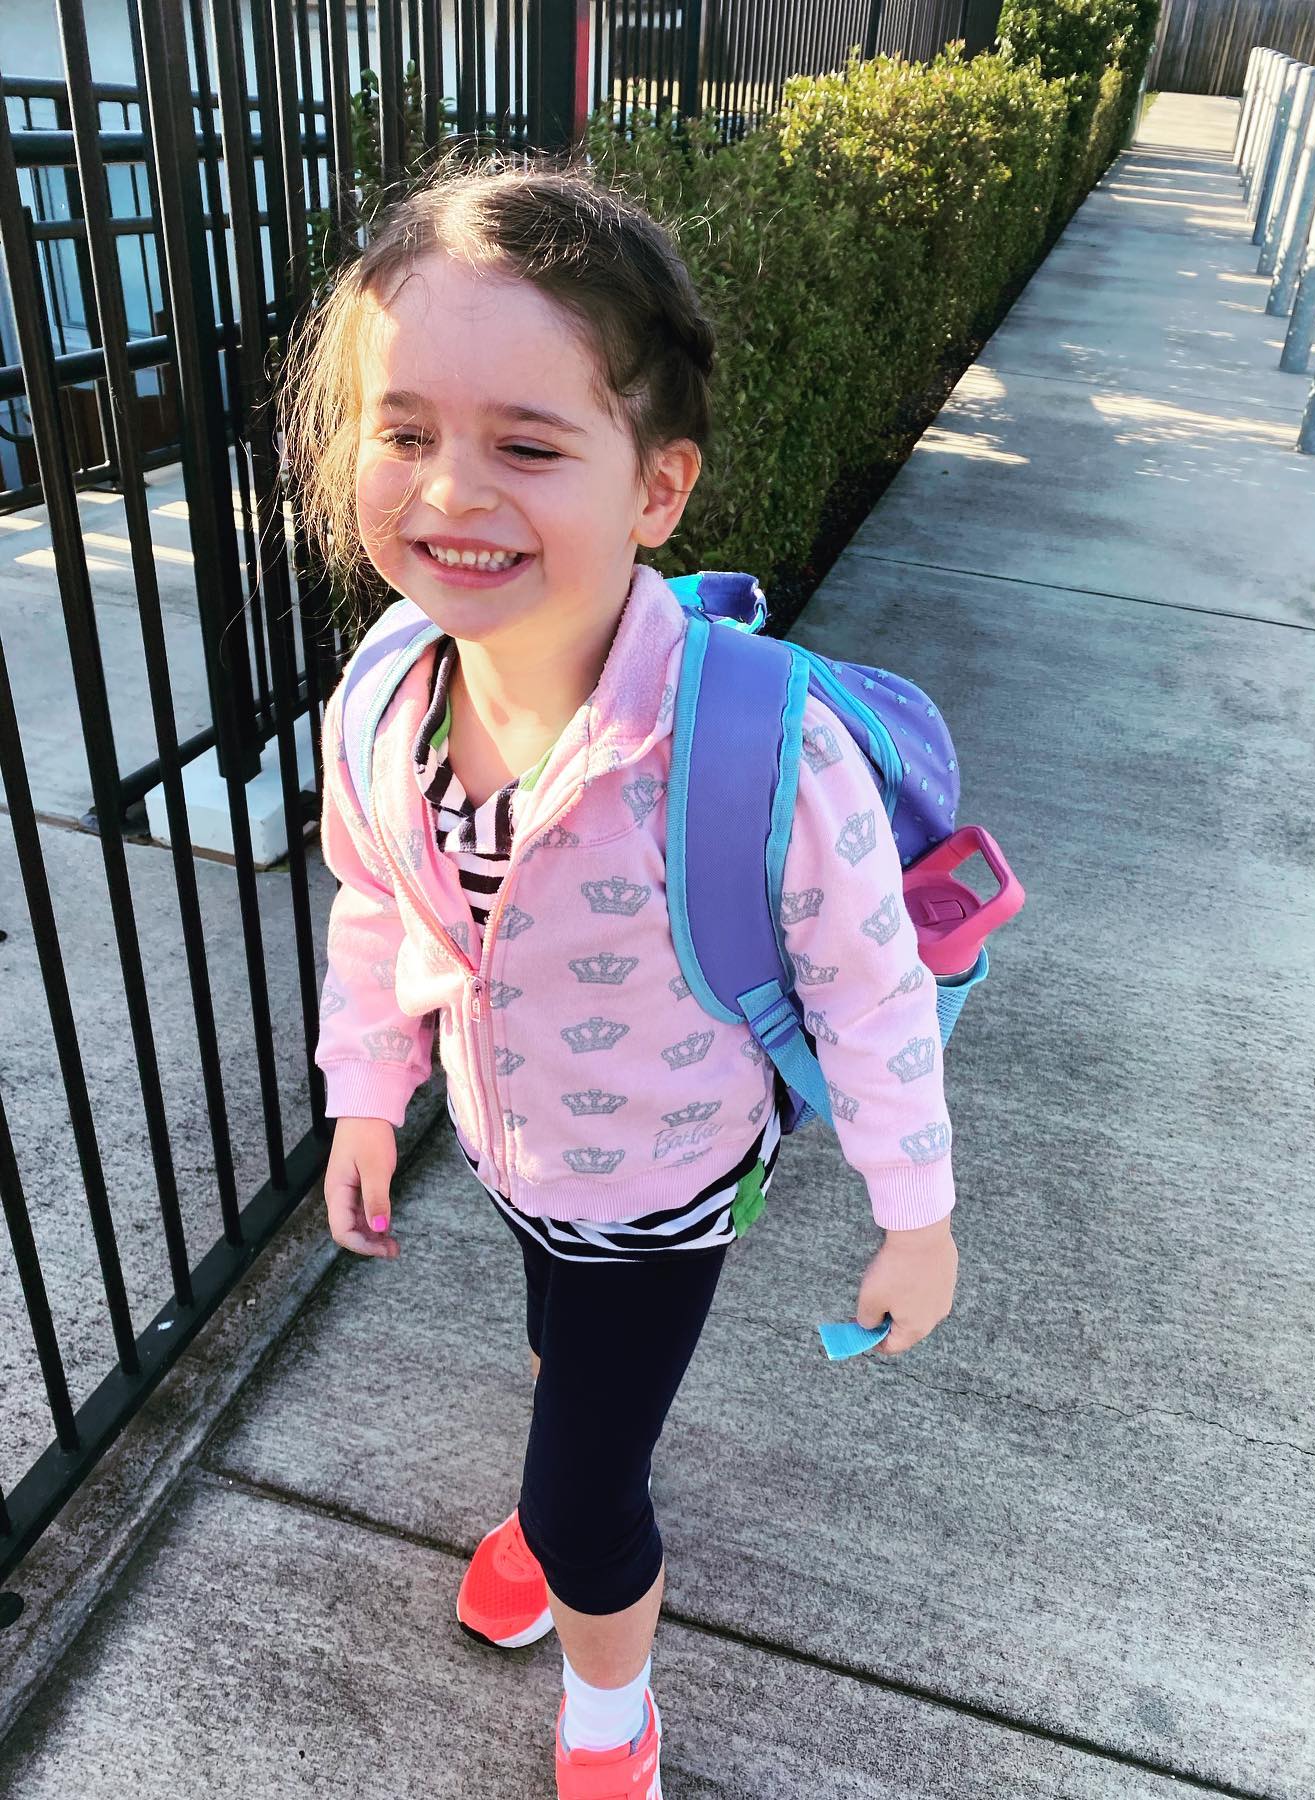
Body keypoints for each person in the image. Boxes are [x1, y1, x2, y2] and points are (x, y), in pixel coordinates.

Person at [282, 149, 960, 1800]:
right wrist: (367, 1095)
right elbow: (377, 904)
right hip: (515, 1151)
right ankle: (549, 1483)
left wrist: (916, 1213)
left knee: (599, 1499)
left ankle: (610, 1709)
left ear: (658, 488)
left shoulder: (755, 749)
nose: (452, 492)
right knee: (550, 1348)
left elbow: (871, 997)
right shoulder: (387, 691)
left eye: (528, 445)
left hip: (664, 1180)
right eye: (406, 432)